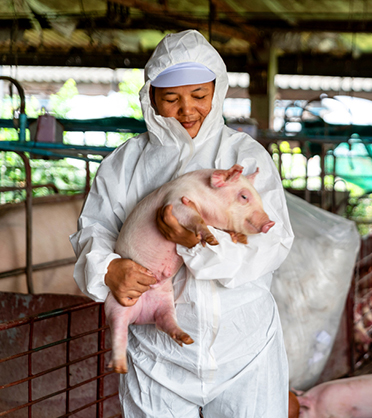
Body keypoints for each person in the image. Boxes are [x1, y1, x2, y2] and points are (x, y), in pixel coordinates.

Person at [70, 30, 294, 417]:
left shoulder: (242, 155)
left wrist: (197, 244)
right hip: (158, 356)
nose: (187, 110)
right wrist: (109, 269)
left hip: (242, 348)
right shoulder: (127, 162)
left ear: (217, 92)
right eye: (171, 98)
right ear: (151, 97)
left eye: (200, 97)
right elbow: (95, 229)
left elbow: (271, 243)